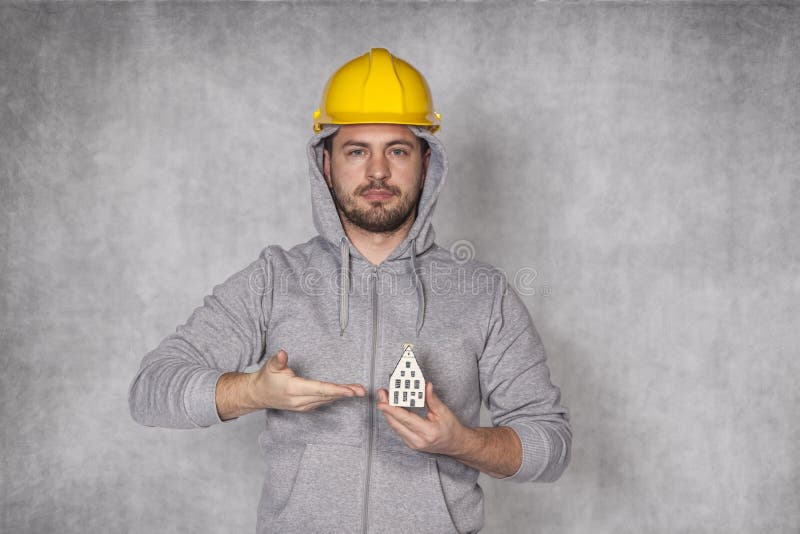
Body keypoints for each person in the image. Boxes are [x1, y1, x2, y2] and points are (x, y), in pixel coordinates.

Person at [129, 47, 571, 534]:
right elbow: (151, 390)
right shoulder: (275, 279)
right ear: (326, 164)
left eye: (397, 151)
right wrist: (252, 391)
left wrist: (460, 442)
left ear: (427, 164)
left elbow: (550, 443)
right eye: (357, 150)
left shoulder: (483, 293)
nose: (377, 172)